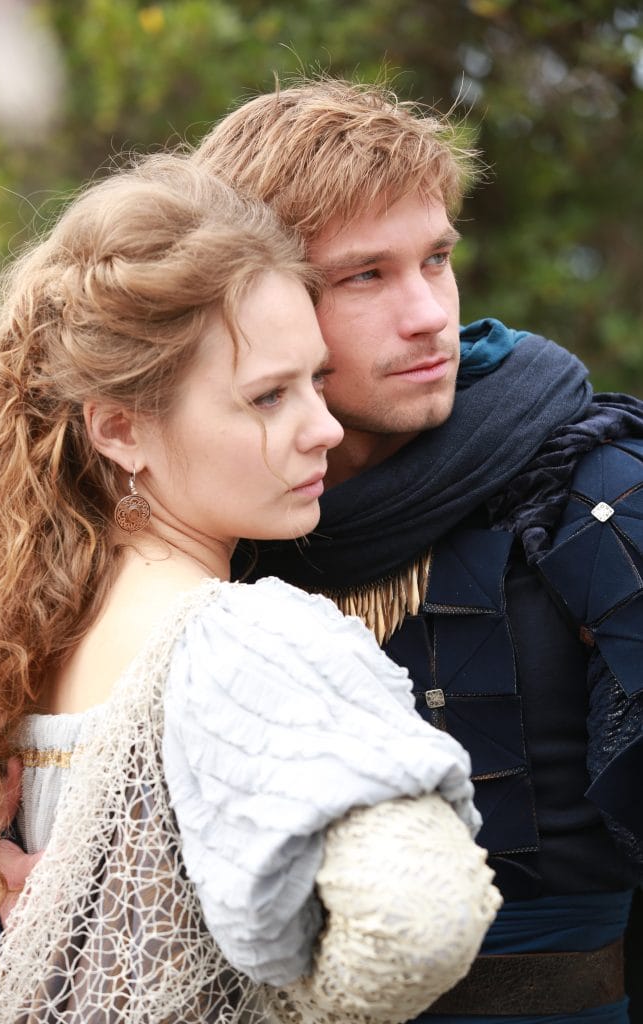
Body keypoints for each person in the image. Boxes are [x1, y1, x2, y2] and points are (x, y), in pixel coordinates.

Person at [0, 153, 501, 1021]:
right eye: (267, 398)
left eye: (315, 381)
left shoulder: (35, 621)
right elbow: (419, 924)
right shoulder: (242, 637)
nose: (323, 428)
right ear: (120, 428)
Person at [194, 76, 643, 1023]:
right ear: (254, 299)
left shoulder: (591, 489)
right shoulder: (189, 520)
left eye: (435, 259)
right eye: (365, 275)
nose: (427, 313)